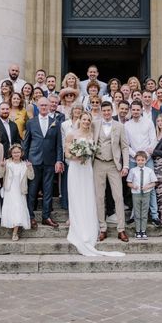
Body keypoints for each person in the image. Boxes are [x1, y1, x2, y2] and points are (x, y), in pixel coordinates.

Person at [65, 112, 124, 256]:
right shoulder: (71, 134)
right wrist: (77, 155)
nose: (86, 121)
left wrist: (86, 154)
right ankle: (77, 226)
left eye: (88, 119)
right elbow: (66, 154)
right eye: (84, 119)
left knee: (89, 196)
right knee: (76, 196)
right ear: (80, 120)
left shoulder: (93, 134)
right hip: (75, 169)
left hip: (87, 169)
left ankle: (90, 226)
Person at [23, 97, 64, 228]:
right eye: (41, 105)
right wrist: (26, 160)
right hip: (34, 160)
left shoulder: (55, 122)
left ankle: (46, 216)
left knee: (48, 190)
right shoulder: (31, 122)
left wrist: (59, 160)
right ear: (37, 106)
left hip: (50, 161)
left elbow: (59, 144)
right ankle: (30, 216)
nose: (44, 107)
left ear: (50, 106)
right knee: (32, 190)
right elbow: (26, 142)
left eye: (46, 105)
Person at [93, 101, 130, 242]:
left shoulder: (119, 126)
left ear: (112, 110)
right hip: (98, 163)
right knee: (99, 197)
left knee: (118, 197)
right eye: (105, 111)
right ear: (101, 111)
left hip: (114, 165)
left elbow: (125, 147)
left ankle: (121, 229)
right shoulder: (95, 124)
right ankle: (103, 228)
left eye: (109, 110)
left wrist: (125, 165)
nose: (107, 113)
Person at [125, 100, 161, 226]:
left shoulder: (148, 122)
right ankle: (135, 215)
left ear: (141, 110)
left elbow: (154, 140)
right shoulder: (127, 125)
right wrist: (136, 155)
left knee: (150, 186)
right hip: (133, 159)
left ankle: (155, 215)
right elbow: (126, 144)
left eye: (137, 109)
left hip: (147, 159)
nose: (135, 112)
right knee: (135, 187)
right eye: (133, 109)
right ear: (131, 110)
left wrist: (146, 156)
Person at [0, 144, 33, 241]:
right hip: (9, 190)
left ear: (21, 153)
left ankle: (15, 232)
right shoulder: (7, 163)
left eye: (18, 152)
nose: (16, 154)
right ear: (11, 153)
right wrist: (2, 166)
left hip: (20, 190)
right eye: (14, 152)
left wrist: (30, 167)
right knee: (11, 208)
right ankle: (12, 225)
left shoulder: (24, 164)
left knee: (18, 208)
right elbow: (0, 175)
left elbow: (31, 177)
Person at [127, 151, 158, 240]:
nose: (140, 161)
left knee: (144, 212)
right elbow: (128, 182)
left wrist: (148, 186)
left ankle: (143, 231)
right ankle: (137, 231)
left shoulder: (149, 171)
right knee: (137, 213)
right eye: (138, 160)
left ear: (146, 160)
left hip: (146, 193)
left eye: (142, 160)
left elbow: (154, 183)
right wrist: (133, 186)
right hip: (136, 194)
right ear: (136, 160)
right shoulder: (133, 171)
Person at [60, 103, 84, 211]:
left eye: (80, 109)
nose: (77, 111)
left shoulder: (84, 124)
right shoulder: (65, 124)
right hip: (68, 157)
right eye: (76, 109)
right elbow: (62, 141)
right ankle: (66, 203)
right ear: (72, 110)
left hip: (80, 158)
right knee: (67, 181)